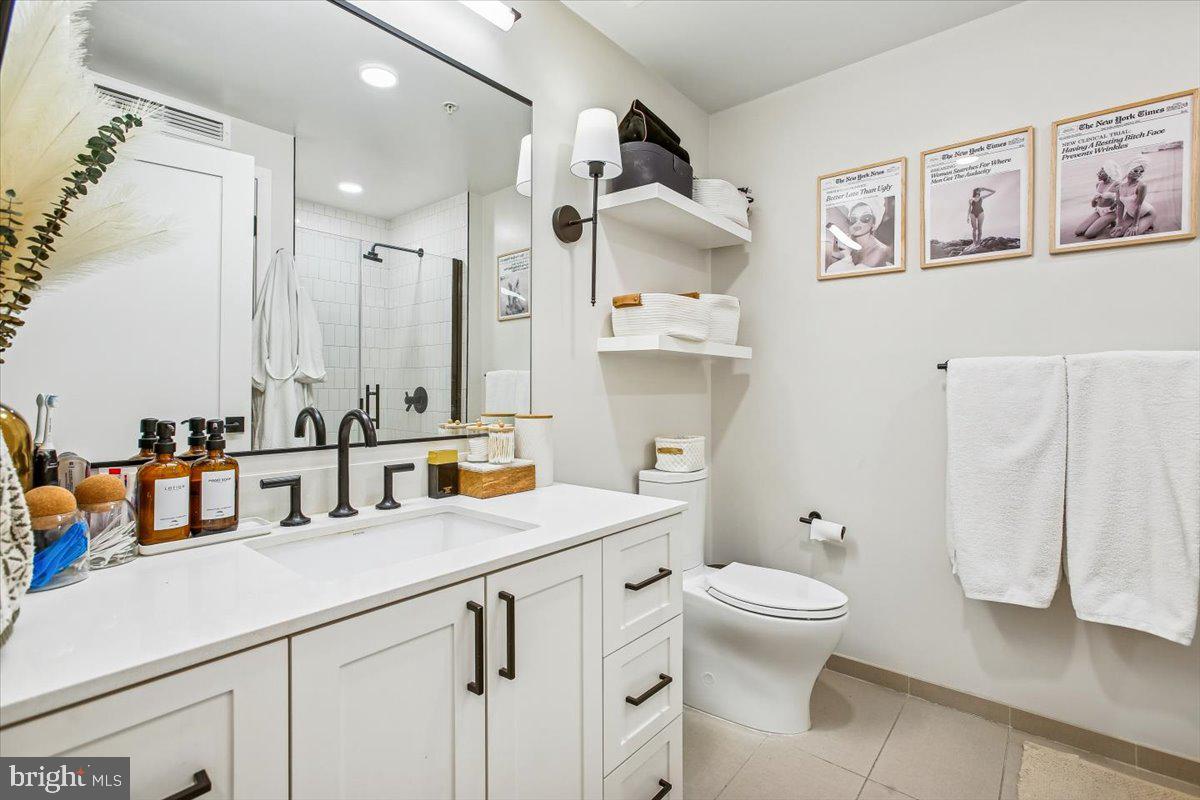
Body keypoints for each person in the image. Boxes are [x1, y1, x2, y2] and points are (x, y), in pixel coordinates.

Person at [1111, 155, 1156, 238]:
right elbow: (1120, 206)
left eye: (1141, 171)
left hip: (1147, 213)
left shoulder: (1141, 185)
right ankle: (1144, 224)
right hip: (1130, 214)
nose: (1139, 173)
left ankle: (1147, 222)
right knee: (1115, 235)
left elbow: (1138, 206)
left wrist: (1135, 225)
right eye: (1135, 170)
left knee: (1127, 237)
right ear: (1129, 170)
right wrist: (1119, 223)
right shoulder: (1120, 186)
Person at [1074, 161, 1121, 239]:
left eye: (1101, 172)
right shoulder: (1098, 184)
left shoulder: (1116, 184)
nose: (1098, 173)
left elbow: (1120, 201)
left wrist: (1113, 204)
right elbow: (1094, 205)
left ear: (1109, 173)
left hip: (1111, 212)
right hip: (1098, 211)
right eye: (1099, 171)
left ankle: (1110, 221)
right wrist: (1094, 200)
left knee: (1088, 235)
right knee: (1078, 232)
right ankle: (1104, 221)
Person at [846, 199, 893, 268]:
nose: (858, 222)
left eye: (865, 218)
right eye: (853, 219)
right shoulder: (849, 247)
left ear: (873, 224)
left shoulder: (880, 251)